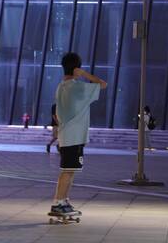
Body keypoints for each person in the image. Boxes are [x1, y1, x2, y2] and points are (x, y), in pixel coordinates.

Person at [50, 53, 107, 215]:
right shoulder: (78, 87)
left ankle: (64, 200)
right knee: (67, 171)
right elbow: (103, 84)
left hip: (66, 135)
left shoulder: (61, 86)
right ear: (76, 68)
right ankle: (58, 202)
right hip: (74, 137)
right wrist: (84, 74)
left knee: (69, 169)